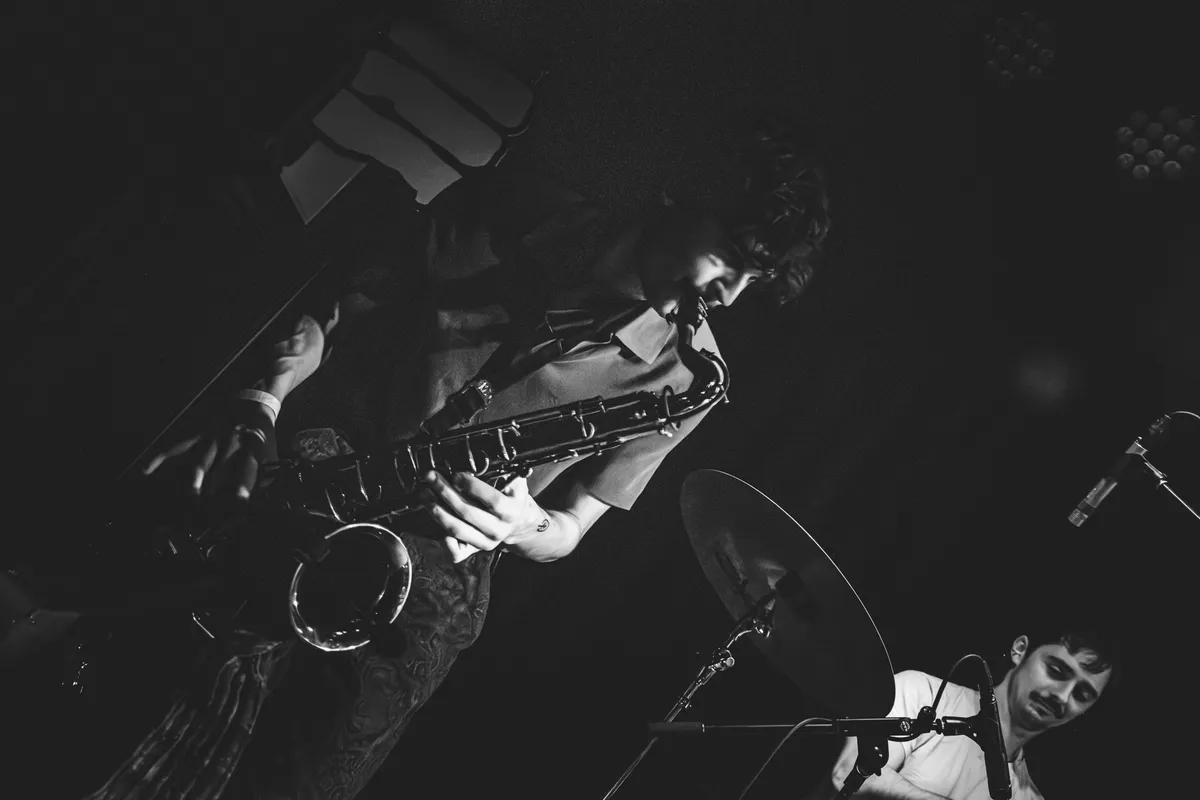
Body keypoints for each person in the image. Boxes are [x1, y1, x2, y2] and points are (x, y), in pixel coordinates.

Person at [93, 121, 832, 799]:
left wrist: (524, 525)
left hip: (437, 561)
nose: (730, 296)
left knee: (307, 774)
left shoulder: (684, 380)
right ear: (680, 196)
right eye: (732, 259)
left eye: (754, 280)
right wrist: (259, 405)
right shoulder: (514, 208)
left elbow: (571, 527)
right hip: (329, 458)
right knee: (144, 686)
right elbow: (339, 310)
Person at [816, 622, 1121, 800]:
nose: (1062, 696)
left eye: (1082, 695)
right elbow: (848, 775)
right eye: (1056, 671)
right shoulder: (921, 691)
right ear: (1020, 651)